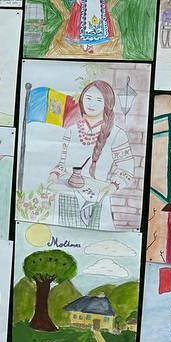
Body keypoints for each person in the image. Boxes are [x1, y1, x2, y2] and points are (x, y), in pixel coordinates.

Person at [48, 80, 136, 230]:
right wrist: (54, 174)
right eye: (88, 98)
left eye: (98, 100)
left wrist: (113, 186)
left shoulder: (117, 134)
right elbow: (61, 163)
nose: (92, 103)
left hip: (98, 198)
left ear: (107, 104)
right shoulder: (72, 130)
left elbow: (126, 169)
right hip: (66, 196)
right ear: (82, 100)